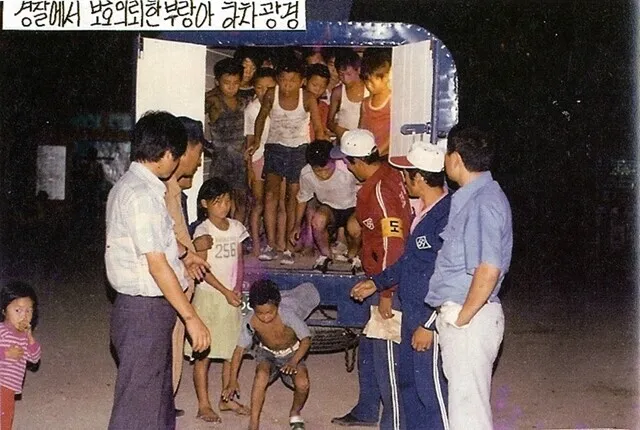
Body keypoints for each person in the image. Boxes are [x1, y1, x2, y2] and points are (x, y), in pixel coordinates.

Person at [105, 111, 211, 430]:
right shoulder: (141, 195)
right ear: (165, 154)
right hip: (144, 312)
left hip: (149, 311)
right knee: (137, 412)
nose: (177, 164)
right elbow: (156, 263)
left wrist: (186, 255)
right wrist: (191, 317)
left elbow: (159, 241)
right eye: (176, 156)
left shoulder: (142, 188)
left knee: (158, 405)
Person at [350, 142, 452, 430]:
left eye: (405, 175)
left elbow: (445, 274)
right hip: (411, 311)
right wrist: (377, 283)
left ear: (418, 178)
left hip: (426, 317)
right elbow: (409, 261)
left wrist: (428, 324)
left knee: (432, 392)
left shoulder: (445, 216)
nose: (402, 180)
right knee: (410, 388)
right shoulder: (426, 212)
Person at [425, 126, 513, 429]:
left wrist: (462, 319)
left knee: (468, 415)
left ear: (456, 158)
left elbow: (488, 269)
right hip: (469, 315)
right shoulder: (475, 197)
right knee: (465, 411)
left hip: (470, 319)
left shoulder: (482, 203)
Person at [330, 129, 411, 429]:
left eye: (348, 162)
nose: (347, 167)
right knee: (368, 347)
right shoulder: (387, 175)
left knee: (386, 357)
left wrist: (386, 292)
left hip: (387, 282)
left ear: (357, 161)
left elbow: (393, 243)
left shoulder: (379, 191)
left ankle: (394, 422)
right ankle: (366, 409)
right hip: (378, 276)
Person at [184, 177, 250, 423]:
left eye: (227, 201)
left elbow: (239, 261)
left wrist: (237, 287)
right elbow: (201, 269)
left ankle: (226, 398)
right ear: (204, 204)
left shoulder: (236, 227)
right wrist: (224, 291)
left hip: (231, 297)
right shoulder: (204, 232)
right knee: (205, 353)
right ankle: (204, 404)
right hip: (210, 297)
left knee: (230, 349)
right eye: (217, 202)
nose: (224, 207)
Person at [250, 58, 328, 265]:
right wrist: (257, 141)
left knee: (293, 198)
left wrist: (320, 153)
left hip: (299, 150)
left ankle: (288, 247)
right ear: (277, 79)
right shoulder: (271, 94)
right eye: (283, 80)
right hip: (275, 147)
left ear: (301, 81)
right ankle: (271, 244)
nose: (287, 85)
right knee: (270, 195)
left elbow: (318, 127)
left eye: (292, 81)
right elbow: (261, 118)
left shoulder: (307, 98)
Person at [222, 280, 320, 430]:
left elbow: (306, 340)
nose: (265, 317)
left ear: (277, 306)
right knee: (261, 376)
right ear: (253, 309)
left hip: (292, 353)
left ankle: (295, 412)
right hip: (267, 353)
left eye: (270, 312)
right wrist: (232, 380)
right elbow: (239, 350)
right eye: (260, 313)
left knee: (303, 383)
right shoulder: (250, 320)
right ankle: (253, 423)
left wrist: (294, 362)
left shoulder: (287, 315)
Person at [164, 117, 207, 412]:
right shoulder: (163, 190)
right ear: (187, 148)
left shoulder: (175, 190)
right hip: (170, 285)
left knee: (175, 344)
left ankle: (165, 402)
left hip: (181, 282)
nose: (200, 161)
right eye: (199, 153)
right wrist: (186, 256)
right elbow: (165, 240)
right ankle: (161, 405)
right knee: (166, 346)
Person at [290, 140, 360, 271]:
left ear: (334, 161)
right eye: (318, 171)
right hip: (330, 208)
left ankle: (355, 256)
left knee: (355, 227)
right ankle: (326, 255)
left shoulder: (347, 169)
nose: (323, 174)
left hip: (353, 207)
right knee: (317, 221)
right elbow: (303, 199)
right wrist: (297, 225)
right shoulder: (306, 174)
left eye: (327, 169)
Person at [243, 67, 286, 257]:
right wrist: (250, 170)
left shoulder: (282, 104)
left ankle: (279, 242)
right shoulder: (252, 110)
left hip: (280, 157)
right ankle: (257, 243)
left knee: (278, 201)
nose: (264, 92)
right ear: (254, 88)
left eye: (269, 87)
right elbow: (249, 142)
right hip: (259, 158)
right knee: (258, 203)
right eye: (259, 88)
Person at [205, 58, 249, 223]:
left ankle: (238, 232)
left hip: (240, 160)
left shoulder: (243, 101)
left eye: (236, 83)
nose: (231, 87)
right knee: (218, 202)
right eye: (226, 83)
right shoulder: (213, 100)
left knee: (241, 202)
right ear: (217, 82)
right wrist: (207, 147)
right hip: (221, 160)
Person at [0, 281, 41, 430]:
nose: (24, 315)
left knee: (6, 417)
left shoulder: (24, 338)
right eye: (18, 310)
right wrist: (4, 353)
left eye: (28, 311)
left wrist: (30, 338)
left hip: (9, 388)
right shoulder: (1, 331)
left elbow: (35, 358)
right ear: (4, 310)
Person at [328, 49, 369, 140]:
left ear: (358, 70)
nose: (345, 79)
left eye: (349, 74)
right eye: (341, 75)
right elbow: (329, 122)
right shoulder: (338, 92)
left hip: (364, 140)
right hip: (344, 140)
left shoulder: (369, 89)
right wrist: (337, 129)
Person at [359, 49, 392, 156]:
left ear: (385, 77)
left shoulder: (392, 101)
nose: (368, 86)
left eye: (372, 82)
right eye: (366, 81)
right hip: (368, 153)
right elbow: (361, 129)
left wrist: (379, 151)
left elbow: (395, 133)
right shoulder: (365, 103)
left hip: (385, 154)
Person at [305, 63, 333, 141]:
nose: (317, 89)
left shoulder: (324, 107)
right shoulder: (295, 103)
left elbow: (322, 129)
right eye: (314, 85)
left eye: (322, 87)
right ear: (305, 81)